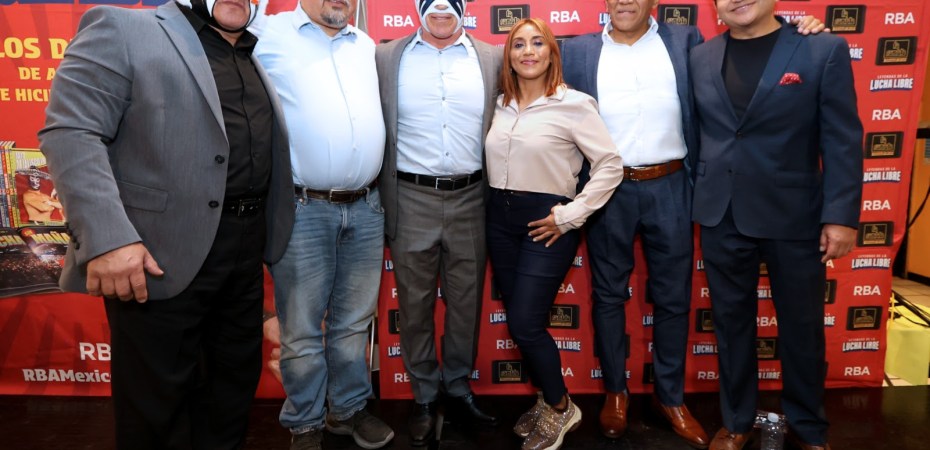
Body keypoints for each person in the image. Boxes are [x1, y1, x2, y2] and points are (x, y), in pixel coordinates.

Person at [562, 1, 825, 447]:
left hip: (673, 185)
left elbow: (752, 43)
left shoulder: (687, 42)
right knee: (608, 295)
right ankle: (616, 393)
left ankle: (670, 397)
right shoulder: (577, 52)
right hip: (606, 190)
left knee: (674, 296)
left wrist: (801, 27)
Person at [38, 0, 295, 448]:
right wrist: (109, 240)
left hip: (244, 252)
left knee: (230, 396)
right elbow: (71, 131)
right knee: (155, 410)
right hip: (154, 255)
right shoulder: (123, 27)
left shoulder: (251, 52)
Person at [690, 1, 862, 449]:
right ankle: (736, 421)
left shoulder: (821, 48)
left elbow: (842, 138)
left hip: (796, 215)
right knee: (731, 326)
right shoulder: (701, 56)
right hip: (722, 213)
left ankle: (808, 427)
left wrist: (840, 216)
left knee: (802, 329)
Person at [252, 0, 393, 449]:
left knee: (354, 321)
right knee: (301, 326)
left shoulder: (365, 45)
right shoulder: (268, 34)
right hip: (303, 207)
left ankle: (347, 409)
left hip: (367, 206)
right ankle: (305, 422)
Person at [486, 18, 624, 450]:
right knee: (520, 319)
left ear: (551, 53)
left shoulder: (575, 104)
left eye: (537, 43)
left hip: (547, 224)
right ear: (508, 55)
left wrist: (571, 215)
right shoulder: (499, 104)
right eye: (518, 44)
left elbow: (610, 165)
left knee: (525, 323)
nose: (528, 51)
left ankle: (562, 406)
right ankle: (549, 399)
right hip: (499, 221)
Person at [375, 0, 502, 445]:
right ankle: (425, 395)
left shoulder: (492, 57)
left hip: (473, 196)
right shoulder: (386, 56)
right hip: (410, 197)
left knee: (467, 301)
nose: (442, 8)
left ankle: (459, 387)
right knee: (414, 305)